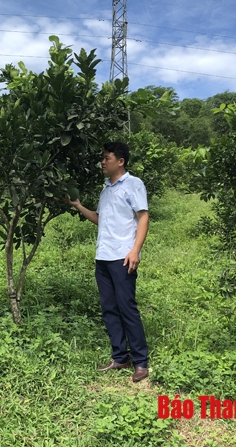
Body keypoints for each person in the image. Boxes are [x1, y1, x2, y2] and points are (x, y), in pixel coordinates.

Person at [67, 142, 150, 382]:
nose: (103, 162)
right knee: (109, 308)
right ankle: (120, 357)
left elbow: (143, 217)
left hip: (123, 257)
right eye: (102, 158)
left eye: (106, 158)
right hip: (103, 257)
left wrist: (135, 250)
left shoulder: (133, 184)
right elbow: (100, 219)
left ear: (120, 161)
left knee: (127, 308)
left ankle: (141, 362)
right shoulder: (106, 189)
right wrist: (78, 206)